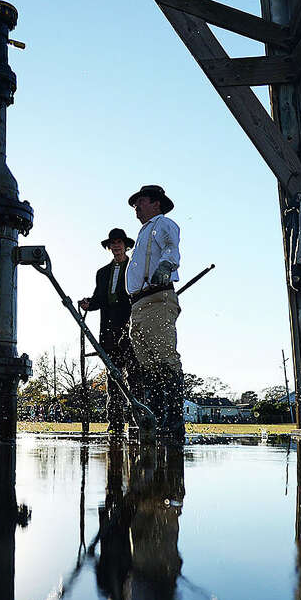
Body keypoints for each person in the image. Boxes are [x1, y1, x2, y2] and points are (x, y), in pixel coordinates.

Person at [124, 185, 185, 443]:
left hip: (157, 299)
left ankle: (173, 422)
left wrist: (167, 265)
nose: (137, 207)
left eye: (141, 202)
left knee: (165, 359)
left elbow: (172, 248)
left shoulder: (163, 224)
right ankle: (157, 418)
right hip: (138, 304)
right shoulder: (142, 234)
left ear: (156, 203)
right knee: (147, 365)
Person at [79, 228, 136, 436]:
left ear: (125, 245)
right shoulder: (102, 273)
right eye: (113, 243)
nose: (116, 246)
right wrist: (88, 304)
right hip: (109, 329)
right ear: (109, 246)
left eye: (119, 242)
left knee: (135, 374)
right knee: (113, 376)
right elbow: (99, 299)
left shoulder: (134, 267)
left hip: (130, 326)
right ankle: (115, 421)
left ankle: (136, 419)